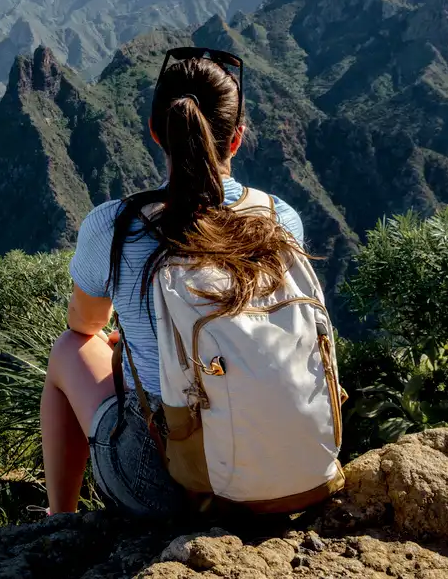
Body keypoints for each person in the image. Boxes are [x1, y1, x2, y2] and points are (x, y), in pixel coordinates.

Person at [40, 46, 328, 517]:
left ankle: (59, 520)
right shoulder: (280, 219)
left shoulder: (114, 225)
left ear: (156, 132)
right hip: (283, 469)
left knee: (68, 349)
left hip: (166, 485)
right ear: (235, 140)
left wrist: (131, 332)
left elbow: (84, 323)